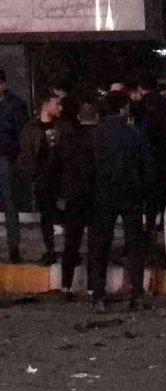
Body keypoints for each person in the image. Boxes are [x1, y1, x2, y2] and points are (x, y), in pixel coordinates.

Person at [89, 92, 152, 313]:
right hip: (130, 194)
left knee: (100, 245)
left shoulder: (96, 134)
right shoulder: (133, 134)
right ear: (124, 108)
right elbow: (146, 167)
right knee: (135, 245)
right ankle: (137, 294)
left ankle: (98, 295)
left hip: (103, 194)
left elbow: (89, 168)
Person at [57, 102, 98, 299]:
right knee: (94, 243)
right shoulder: (99, 138)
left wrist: (60, 193)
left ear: (79, 118)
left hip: (73, 196)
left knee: (71, 243)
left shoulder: (68, 138)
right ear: (96, 117)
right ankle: (92, 287)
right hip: (94, 196)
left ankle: (66, 286)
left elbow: (56, 165)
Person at [18, 92, 64, 265]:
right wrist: (34, 174)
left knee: (62, 213)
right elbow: (25, 155)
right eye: (56, 104)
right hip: (43, 179)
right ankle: (50, 250)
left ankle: (62, 250)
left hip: (59, 178)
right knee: (46, 215)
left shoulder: (60, 127)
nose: (60, 107)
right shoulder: (31, 128)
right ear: (46, 105)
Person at [131, 75, 166, 231]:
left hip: (151, 157)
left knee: (151, 196)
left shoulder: (144, 105)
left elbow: (142, 132)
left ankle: (150, 227)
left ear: (140, 89)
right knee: (165, 195)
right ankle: (165, 226)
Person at [0, 69, 28, 263]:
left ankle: (14, 248)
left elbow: (21, 133)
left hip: (5, 158)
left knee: (9, 203)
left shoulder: (15, 105)